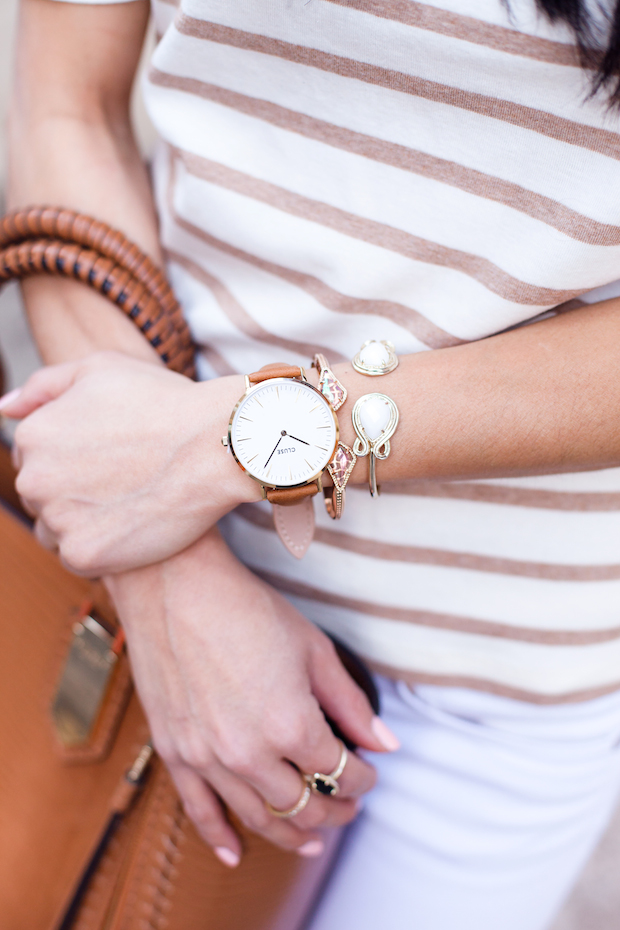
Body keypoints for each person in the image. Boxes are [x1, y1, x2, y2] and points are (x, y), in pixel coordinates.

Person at [5, 0, 620, 927]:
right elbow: (64, 104)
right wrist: (167, 567)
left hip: (492, 697)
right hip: (119, 581)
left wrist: (211, 455)